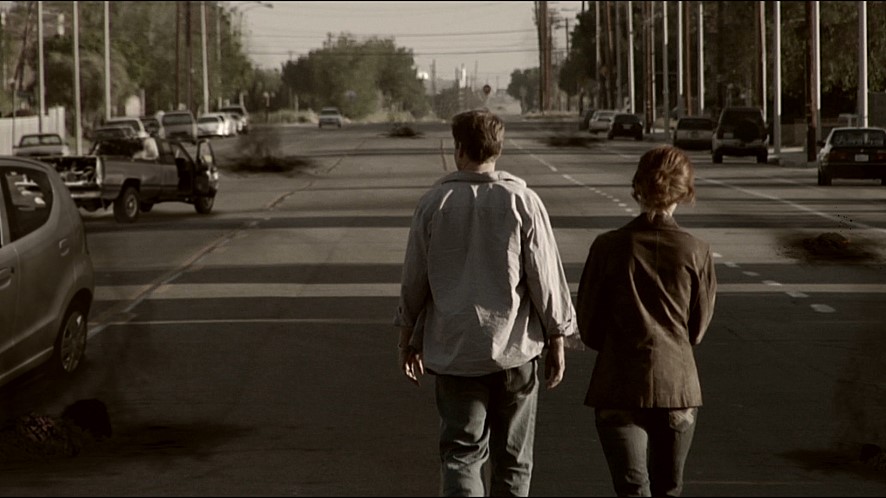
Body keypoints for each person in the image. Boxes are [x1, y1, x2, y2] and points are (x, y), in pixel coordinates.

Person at [394, 109, 578, 497]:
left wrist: (407, 338)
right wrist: (557, 337)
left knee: (461, 454)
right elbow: (545, 278)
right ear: (498, 149)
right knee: (514, 460)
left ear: (460, 149)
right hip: (515, 352)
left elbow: (415, 279)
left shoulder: (434, 204)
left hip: (456, 353)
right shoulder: (523, 201)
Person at [576, 145, 717, 497]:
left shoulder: (606, 247)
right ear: (684, 192)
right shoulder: (696, 251)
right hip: (677, 386)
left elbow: (589, 327)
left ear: (637, 186)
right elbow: (697, 331)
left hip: (618, 385)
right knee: (669, 487)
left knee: (631, 488)